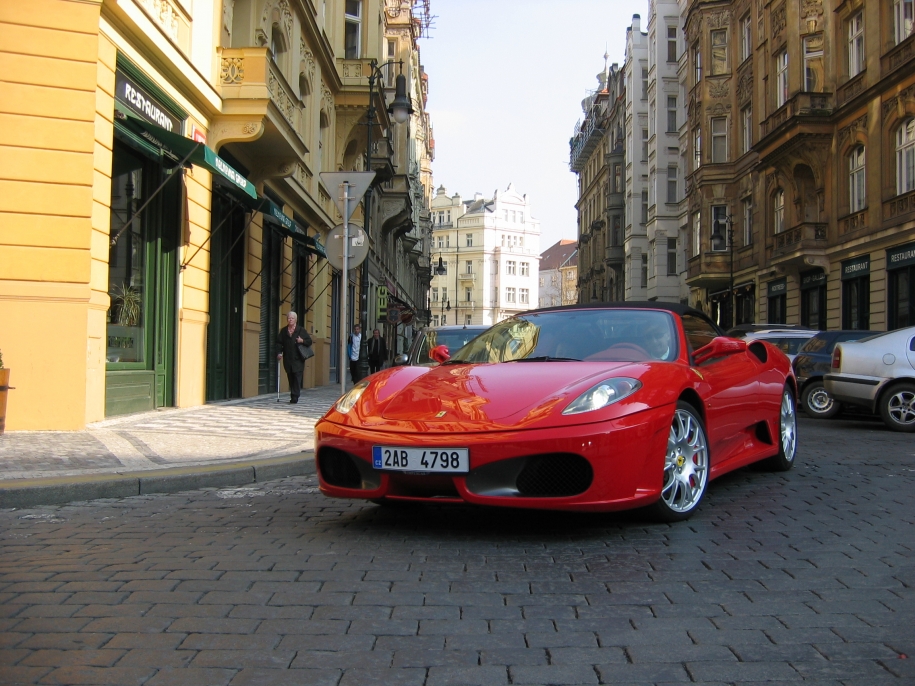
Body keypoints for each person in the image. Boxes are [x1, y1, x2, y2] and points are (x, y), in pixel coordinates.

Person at [276, 311, 312, 404]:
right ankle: (293, 393)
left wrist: (302, 340)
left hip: (298, 359)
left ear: (295, 320)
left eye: (292, 318)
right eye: (289, 318)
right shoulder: (284, 331)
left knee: (297, 377)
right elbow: (279, 343)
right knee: (290, 377)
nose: (290, 319)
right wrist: (279, 353)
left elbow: (309, 341)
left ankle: (295, 396)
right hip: (288, 358)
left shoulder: (301, 330)